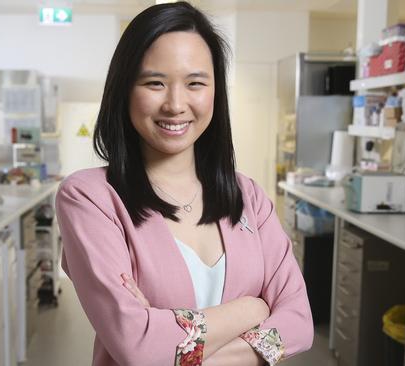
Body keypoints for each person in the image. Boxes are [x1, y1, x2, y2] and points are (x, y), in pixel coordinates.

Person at [55, 2, 313, 365]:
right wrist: (253, 309)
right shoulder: (90, 198)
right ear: (124, 89)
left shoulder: (248, 196)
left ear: (215, 92)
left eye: (195, 83)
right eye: (155, 83)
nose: (176, 104)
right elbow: (138, 345)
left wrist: (173, 342)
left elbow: (299, 324)